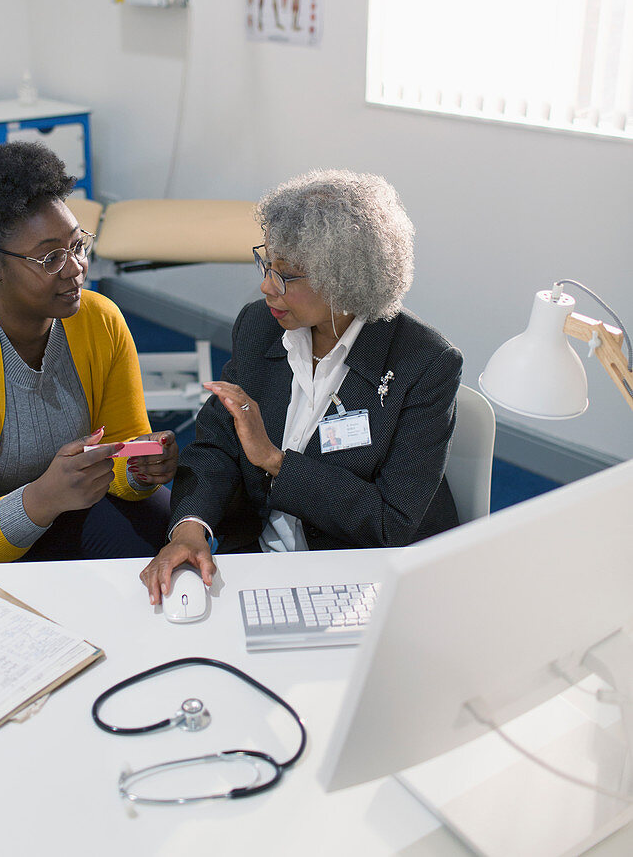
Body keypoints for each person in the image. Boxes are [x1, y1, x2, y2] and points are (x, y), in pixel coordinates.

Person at [141, 169, 462, 604]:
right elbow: (215, 445)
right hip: (254, 556)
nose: (266, 286)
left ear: (344, 279)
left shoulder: (423, 364)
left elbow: (391, 522)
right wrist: (190, 529)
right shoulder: (259, 326)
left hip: (361, 576)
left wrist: (274, 461)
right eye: (266, 264)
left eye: (287, 276)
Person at [0, 143, 177, 567]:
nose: (75, 268)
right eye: (50, 257)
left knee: (172, 534)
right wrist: (39, 499)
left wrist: (141, 469)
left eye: (78, 245)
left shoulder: (98, 320)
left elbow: (122, 453)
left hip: (57, 502)